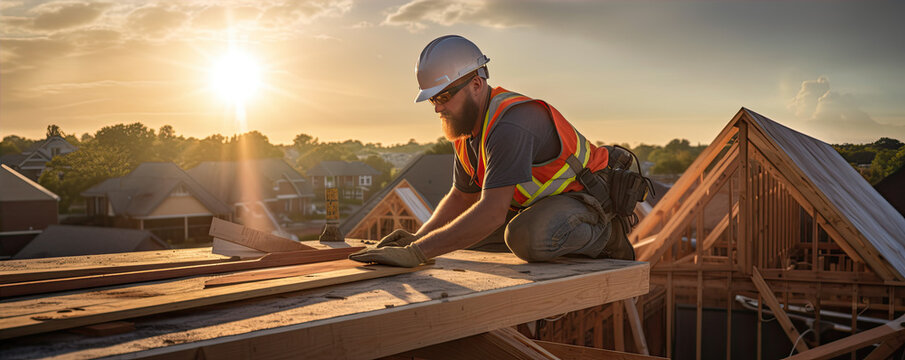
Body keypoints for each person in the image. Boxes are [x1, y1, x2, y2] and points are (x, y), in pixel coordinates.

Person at [349, 35, 636, 267]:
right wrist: (419, 238)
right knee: (457, 234)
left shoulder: (512, 123)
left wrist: (418, 253)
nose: (437, 107)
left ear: (476, 84)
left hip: (587, 203)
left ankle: (607, 236)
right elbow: (462, 196)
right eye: (432, 100)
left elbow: (492, 213)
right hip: (542, 207)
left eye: (444, 96)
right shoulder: (465, 130)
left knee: (525, 238)